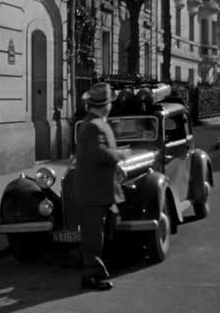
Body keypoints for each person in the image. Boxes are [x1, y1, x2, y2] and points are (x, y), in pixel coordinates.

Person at [74, 82, 129, 291]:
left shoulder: (96, 123)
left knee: (103, 230)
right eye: (109, 103)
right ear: (105, 105)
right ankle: (90, 276)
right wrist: (120, 155)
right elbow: (98, 153)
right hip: (93, 191)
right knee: (93, 236)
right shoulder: (93, 126)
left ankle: (99, 268)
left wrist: (116, 162)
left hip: (101, 190)